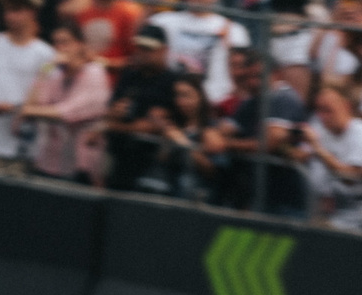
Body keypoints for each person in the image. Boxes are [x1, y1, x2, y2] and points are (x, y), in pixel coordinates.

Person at [214, 47, 312, 214]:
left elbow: (268, 143)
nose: (253, 82)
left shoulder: (284, 98)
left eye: (259, 76)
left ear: (276, 74)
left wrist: (227, 144)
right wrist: (214, 136)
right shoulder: (250, 102)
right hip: (259, 195)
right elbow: (222, 131)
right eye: (249, 77)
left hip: (286, 199)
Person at [0, 0, 55, 171]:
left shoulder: (47, 54)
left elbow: (47, 91)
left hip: (25, 144)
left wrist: (16, 108)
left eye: (17, 10)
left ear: (32, 13)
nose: (10, 16)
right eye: (8, 10)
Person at [22, 20, 110, 182]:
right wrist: (46, 69)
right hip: (48, 162)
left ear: (79, 44)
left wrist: (27, 110)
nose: (60, 48)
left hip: (80, 166)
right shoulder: (55, 73)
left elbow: (67, 112)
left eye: (65, 42)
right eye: (56, 43)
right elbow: (32, 104)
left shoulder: (95, 73)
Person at [297, 82, 362, 226]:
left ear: (346, 106)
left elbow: (349, 177)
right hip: (323, 209)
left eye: (328, 110)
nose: (322, 116)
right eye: (319, 110)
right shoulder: (320, 129)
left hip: (360, 215)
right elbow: (299, 156)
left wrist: (317, 149)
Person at [105, 23, 179, 190]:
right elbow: (111, 111)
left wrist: (116, 126)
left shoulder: (172, 82)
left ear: (164, 50)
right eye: (140, 47)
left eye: (149, 49)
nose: (142, 52)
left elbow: (154, 126)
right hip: (120, 157)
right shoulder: (129, 75)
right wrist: (114, 113)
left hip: (153, 163)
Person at [147, 0, 247, 104]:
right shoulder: (161, 21)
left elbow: (241, 75)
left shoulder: (235, 31)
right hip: (166, 99)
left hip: (216, 103)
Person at [57, 0, 142, 64]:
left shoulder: (128, 13)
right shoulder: (80, 10)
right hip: (83, 70)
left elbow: (136, 57)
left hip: (114, 74)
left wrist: (106, 63)